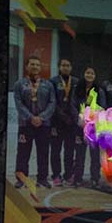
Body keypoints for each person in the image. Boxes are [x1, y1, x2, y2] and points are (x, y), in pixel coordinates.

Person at [13, 54, 56, 188]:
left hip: (44, 125)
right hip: (25, 124)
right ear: (27, 67)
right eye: (32, 64)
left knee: (43, 152)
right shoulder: (19, 84)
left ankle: (42, 179)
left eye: (37, 65)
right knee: (23, 152)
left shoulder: (47, 84)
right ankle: (21, 179)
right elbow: (19, 104)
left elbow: (52, 102)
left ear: (40, 67)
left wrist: (41, 118)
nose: (35, 67)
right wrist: (31, 117)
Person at [50, 57, 84, 187]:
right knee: (55, 150)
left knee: (69, 150)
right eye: (63, 65)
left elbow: (77, 101)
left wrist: (73, 117)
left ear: (71, 67)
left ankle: (68, 174)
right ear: (59, 67)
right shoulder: (53, 82)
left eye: (68, 65)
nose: (65, 67)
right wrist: (62, 115)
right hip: (57, 121)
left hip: (71, 122)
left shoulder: (76, 81)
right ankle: (56, 175)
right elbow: (52, 100)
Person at [79, 67, 105, 186]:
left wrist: (93, 121)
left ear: (95, 76)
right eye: (87, 72)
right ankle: (78, 177)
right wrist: (81, 118)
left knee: (94, 154)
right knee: (79, 152)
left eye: (92, 73)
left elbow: (103, 107)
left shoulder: (100, 90)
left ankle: (95, 178)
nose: (89, 75)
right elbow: (74, 104)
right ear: (84, 74)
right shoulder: (77, 88)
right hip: (80, 125)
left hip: (94, 127)